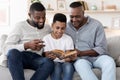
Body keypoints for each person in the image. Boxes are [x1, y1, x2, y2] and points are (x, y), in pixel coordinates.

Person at [65, 1, 116, 80]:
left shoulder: (96, 25)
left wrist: (81, 53)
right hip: (81, 60)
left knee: (109, 62)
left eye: (77, 16)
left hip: (98, 58)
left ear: (83, 13)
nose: (74, 20)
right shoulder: (66, 27)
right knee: (80, 65)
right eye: (71, 17)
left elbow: (102, 48)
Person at [4, 2, 54, 80]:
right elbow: (5, 48)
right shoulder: (20, 26)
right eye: (37, 18)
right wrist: (26, 45)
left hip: (37, 58)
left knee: (49, 62)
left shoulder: (48, 28)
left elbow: (54, 41)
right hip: (21, 57)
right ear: (29, 15)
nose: (41, 20)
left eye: (43, 17)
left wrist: (44, 52)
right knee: (12, 52)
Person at [43, 13, 76, 80]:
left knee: (68, 67)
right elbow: (47, 55)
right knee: (56, 66)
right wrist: (51, 57)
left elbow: (68, 57)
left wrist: (70, 57)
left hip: (65, 62)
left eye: (62, 28)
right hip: (53, 62)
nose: (60, 31)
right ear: (52, 26)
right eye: (57, 28)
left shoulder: (68, 38)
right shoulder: (46, 38)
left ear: (65, 27)